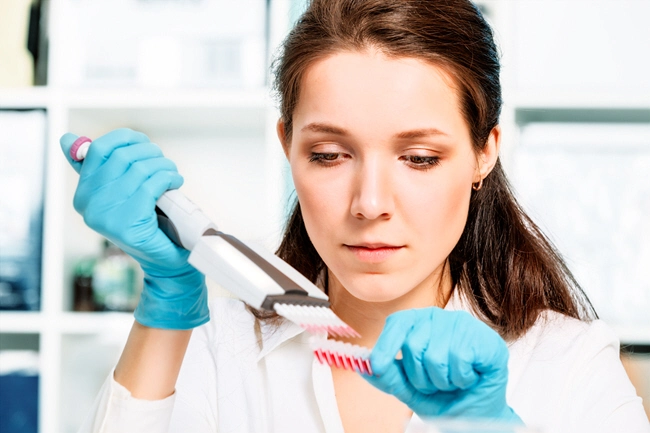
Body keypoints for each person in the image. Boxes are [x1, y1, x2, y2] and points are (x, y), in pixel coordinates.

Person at [62, 1, 649, 432]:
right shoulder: (217, 350)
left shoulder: (571, 367)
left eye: (419, 158)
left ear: (484, 152)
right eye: (328, 155)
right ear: (287, 146)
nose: (370, 203)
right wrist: (165, 310)